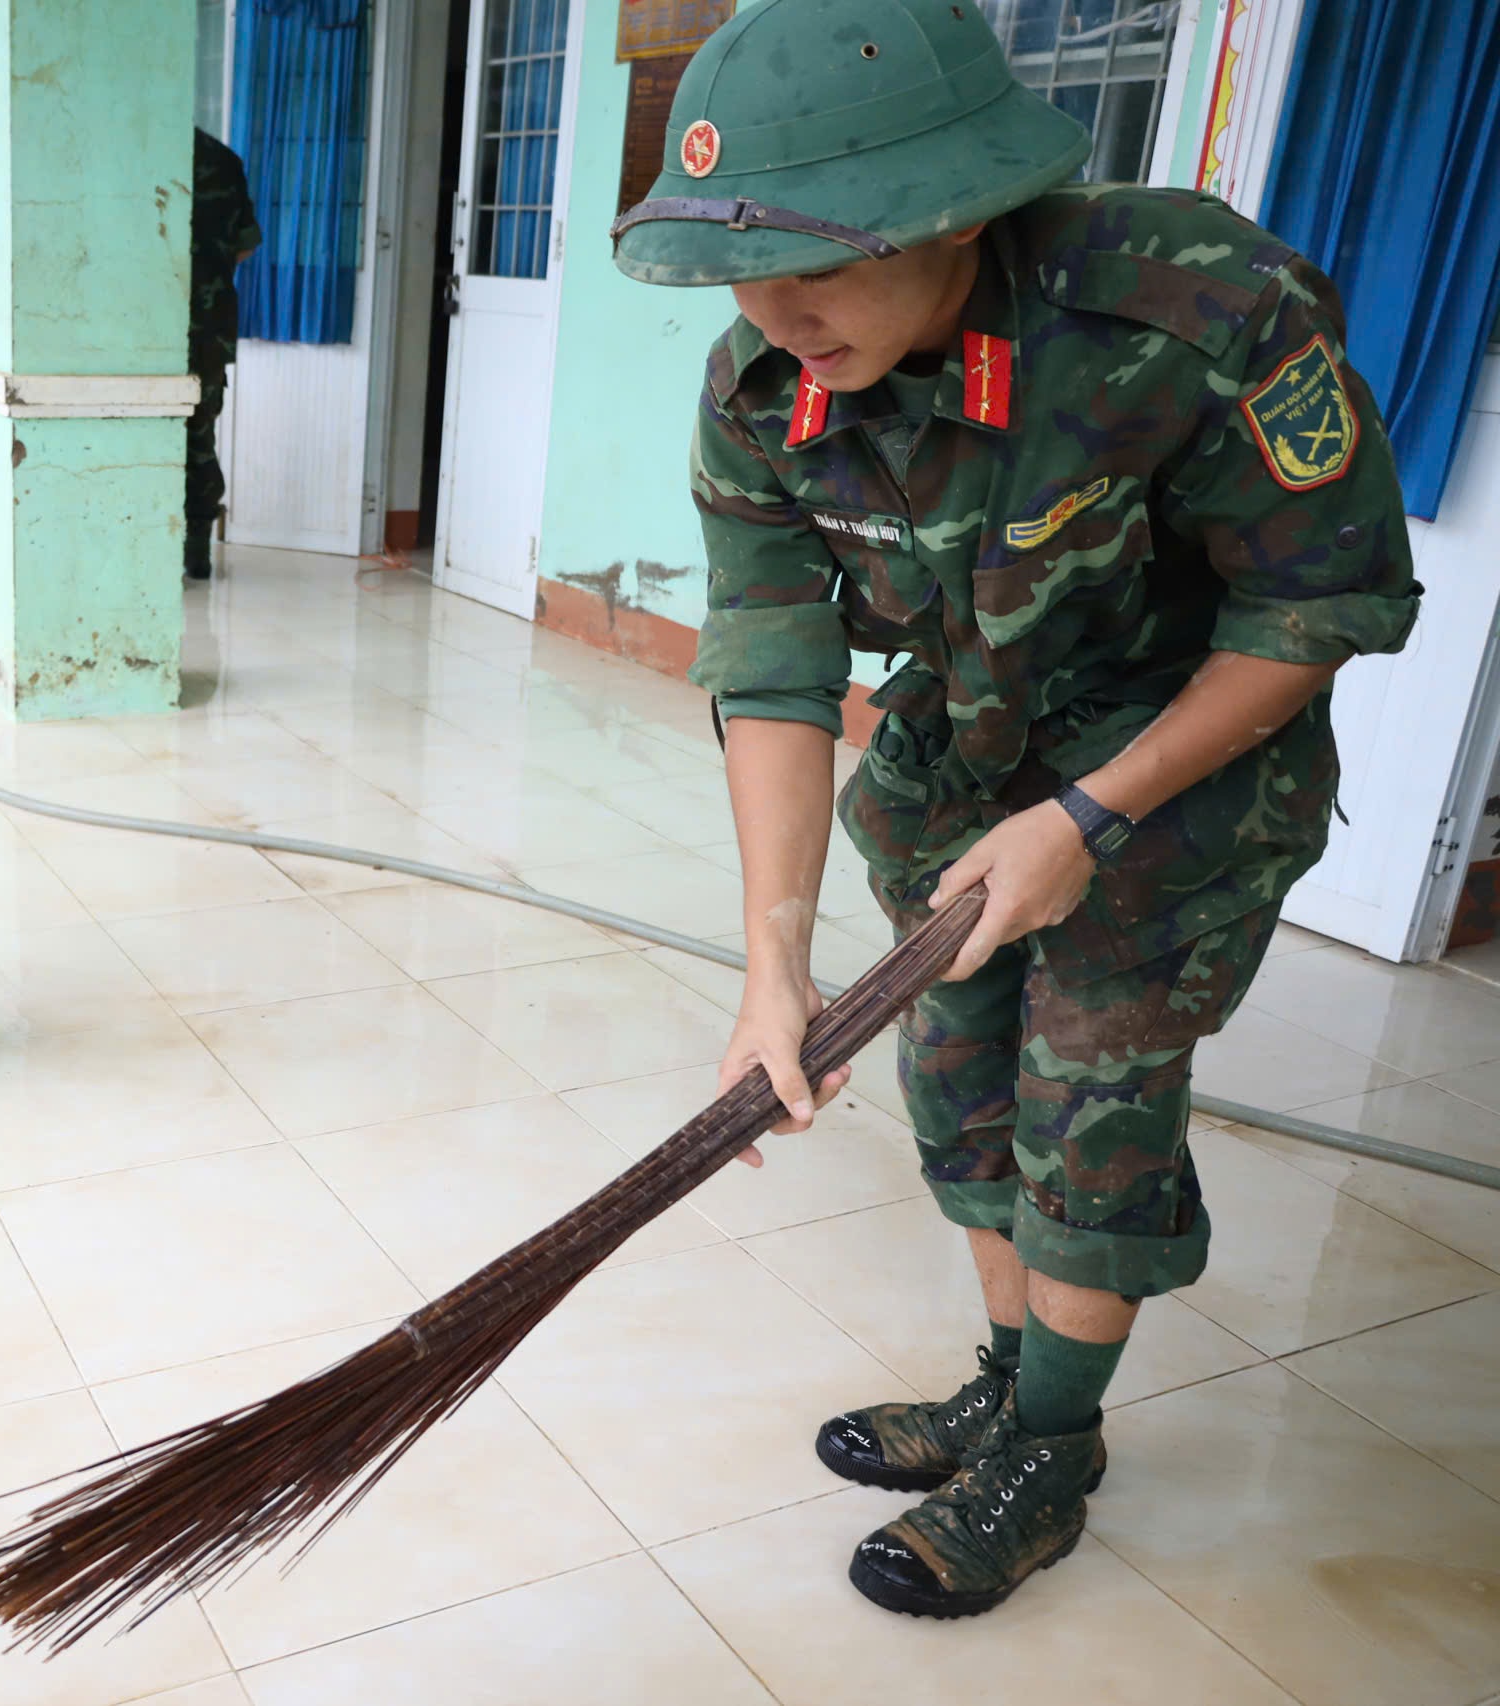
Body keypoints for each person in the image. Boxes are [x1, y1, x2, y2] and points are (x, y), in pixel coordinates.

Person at [612, 0, 1419, 1620]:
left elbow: (1318, 607)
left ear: (954, 205)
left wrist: (1092, 820)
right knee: (958, 1087)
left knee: (1088, 1118)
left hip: (1181, 787)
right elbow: (774, 659)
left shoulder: (1184, 309)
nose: (776, 309)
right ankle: (1007, 1374)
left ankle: (1054, 1445)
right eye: (741, 267)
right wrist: (774, 961)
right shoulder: (763, 386)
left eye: (821, 258)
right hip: (970, 773)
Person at [185, 127, 262, 581]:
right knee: (198, 436)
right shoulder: (221, 157)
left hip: (135, 328)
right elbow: (246, 245)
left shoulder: (130, 150)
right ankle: (197, 551)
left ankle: (141, 546)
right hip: (207, 325)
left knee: (133, 429)